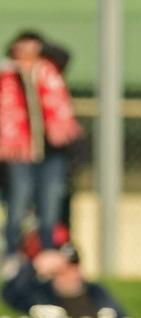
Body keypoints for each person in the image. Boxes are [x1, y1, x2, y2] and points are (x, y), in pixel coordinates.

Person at [0, 31, 82, 262]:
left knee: (50, 206)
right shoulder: (6, 75)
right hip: (19, 152)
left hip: (52, 152)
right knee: (18, 202)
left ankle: (47, 251)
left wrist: (40, 49)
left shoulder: (49, 69)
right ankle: (12, 255)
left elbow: (64, 54)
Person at [1, 244, 126, 318]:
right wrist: (34, 267)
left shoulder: (97, 293)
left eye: (73, 265)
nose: (69, 271)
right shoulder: (40, 294)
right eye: (62, 268)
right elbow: (10, 294)